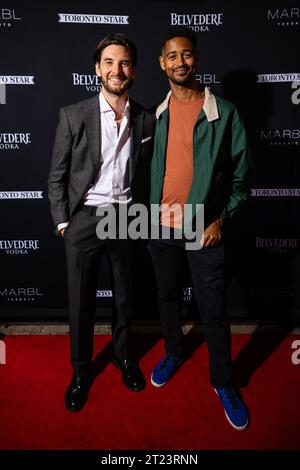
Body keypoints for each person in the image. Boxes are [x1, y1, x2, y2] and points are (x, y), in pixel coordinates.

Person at [149, 27, 252, 430]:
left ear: (196, 58)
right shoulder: (155, 114)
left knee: (213, 312)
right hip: (158, 226)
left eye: (186, 55)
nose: (179, 62)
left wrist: (220, 218)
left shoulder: (224, 113)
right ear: (162, 63)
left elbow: (242, 179)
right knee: (167, 296)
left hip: (201, 228)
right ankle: (174, 350)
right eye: (172, 56)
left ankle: (223, 382)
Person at [48, 33, 155, 412]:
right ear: (97, 69)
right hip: (84, 220)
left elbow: (146, 174)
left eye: (124, 63)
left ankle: (123, 357)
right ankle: (80, 371)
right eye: (109, 62)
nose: (116, 69)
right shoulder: (73, 115)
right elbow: (56, 176)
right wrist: (64, 224)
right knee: (80, 303)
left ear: (134, 70)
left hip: (126, 218)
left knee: (125, 298)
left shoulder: (145, 118)